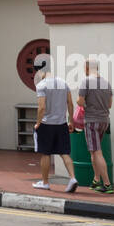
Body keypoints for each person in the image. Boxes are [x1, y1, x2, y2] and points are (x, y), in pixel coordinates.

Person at [32, 55, 78, 192]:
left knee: (45, 153)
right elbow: (70, 103)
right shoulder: (63, 83)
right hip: (61, 123)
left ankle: (45, 182)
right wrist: (71, 121)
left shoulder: (42, 85)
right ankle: (72, 178)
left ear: (41, 71)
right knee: (64, 153)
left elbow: (41, 107)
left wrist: (38, 123)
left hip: (46, 124)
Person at [78, 58, 114, 194]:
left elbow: (80, 102)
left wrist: (81, 101)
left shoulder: (86, 81)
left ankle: (107, 184)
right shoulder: (106, 82)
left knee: (97, 152)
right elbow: (110, 104)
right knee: (94, 151)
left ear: (88, 68)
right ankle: (96, 180)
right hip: (104, 120)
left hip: (92, 121)